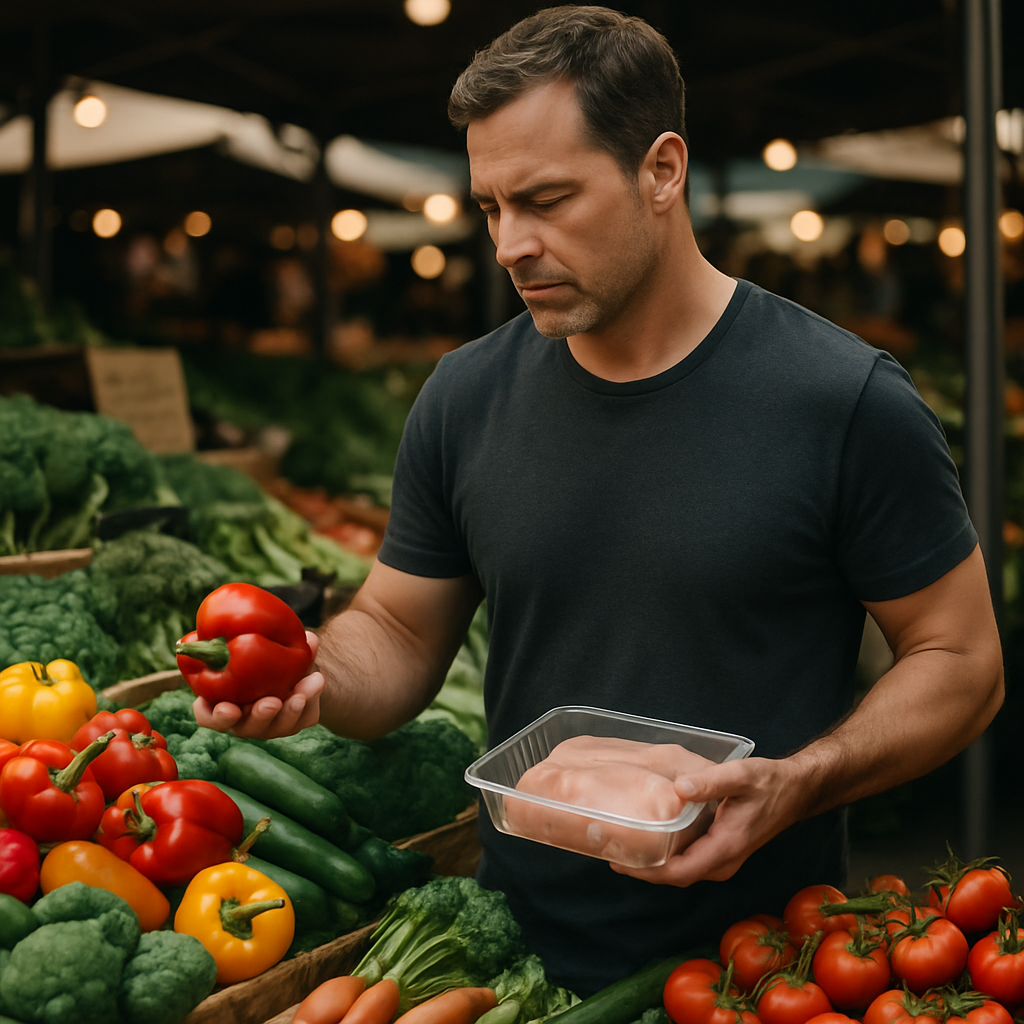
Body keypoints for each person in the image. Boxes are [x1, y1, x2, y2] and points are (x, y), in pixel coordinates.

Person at [196, 6, 1004, 996]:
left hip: (767, 971)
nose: (508, 244)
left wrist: (798, 783)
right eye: (491, 207)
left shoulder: (843, 400)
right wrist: (318, 676)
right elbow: (399, 635)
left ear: (661, 170)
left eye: (545, 199)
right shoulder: (462, 396)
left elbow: (963, 661)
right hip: (510, 959)